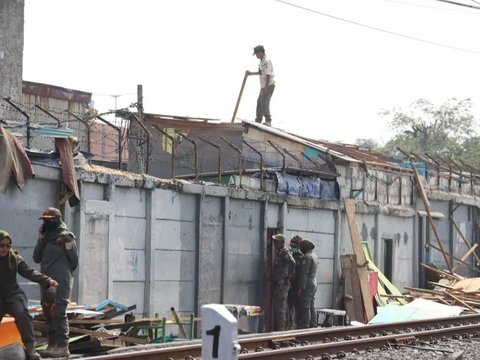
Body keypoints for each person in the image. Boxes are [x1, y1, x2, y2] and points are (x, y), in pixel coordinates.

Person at [0, 230, 58, 360]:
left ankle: (31, 348)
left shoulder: (14, 258)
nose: (5, 248)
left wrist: (47, 280)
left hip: (13, 295)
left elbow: (30, 272)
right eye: (1, 245)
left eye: (8, 245)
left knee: (23, 314)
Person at [33, 207, 78, 358]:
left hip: (61, 281)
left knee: (59, 312)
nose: (46, 223)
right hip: (46, 281)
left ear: (56, 221)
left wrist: (62, 273)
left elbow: (74, 261)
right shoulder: (45, 238)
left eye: (49, 220)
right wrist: (40, 239)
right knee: (47, 312)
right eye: (44, 220)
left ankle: (62, 346)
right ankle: (52, 344)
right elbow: (36, 258)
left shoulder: (66, 238)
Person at [271, 233, 295, 331]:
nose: (274, 244)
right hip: (278, 284)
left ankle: (281, 329)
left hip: (282, 285)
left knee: (280, 308)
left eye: (276, 242)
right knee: (281, 307)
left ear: (282, 243)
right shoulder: (279, 252)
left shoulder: (285, 252)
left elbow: (292, 262)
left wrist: (288, 276)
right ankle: (285, 327)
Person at [247, 45, 275, 126]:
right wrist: (250, 73)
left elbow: (268, 75)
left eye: (257, 54)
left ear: (261, 52)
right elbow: (261, 73)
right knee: (259, 102)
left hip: (268, 86)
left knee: (264, 103)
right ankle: (258, 120)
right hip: (263, 86)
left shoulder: (267, 61)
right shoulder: (261, 62)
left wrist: (266, 88)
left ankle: (268, 121)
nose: (256, 56)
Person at [296, 239, 319, 329]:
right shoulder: (315, 256)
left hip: (308, 284)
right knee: (312, 305)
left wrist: (301, 287)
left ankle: (305, 326)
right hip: (314, 282)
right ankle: (313, 324)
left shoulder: (307, 257)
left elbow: (304, 273)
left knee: (305, 306)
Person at [287, 235, 303, 329]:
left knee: (299, 308)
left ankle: (299, 327)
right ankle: (290, 326)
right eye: (291, 247)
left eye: (294, 247)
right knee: (289, 308)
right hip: (291, 287)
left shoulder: (303, 258)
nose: (292, 248)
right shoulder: (291, 256)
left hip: (298, 287)